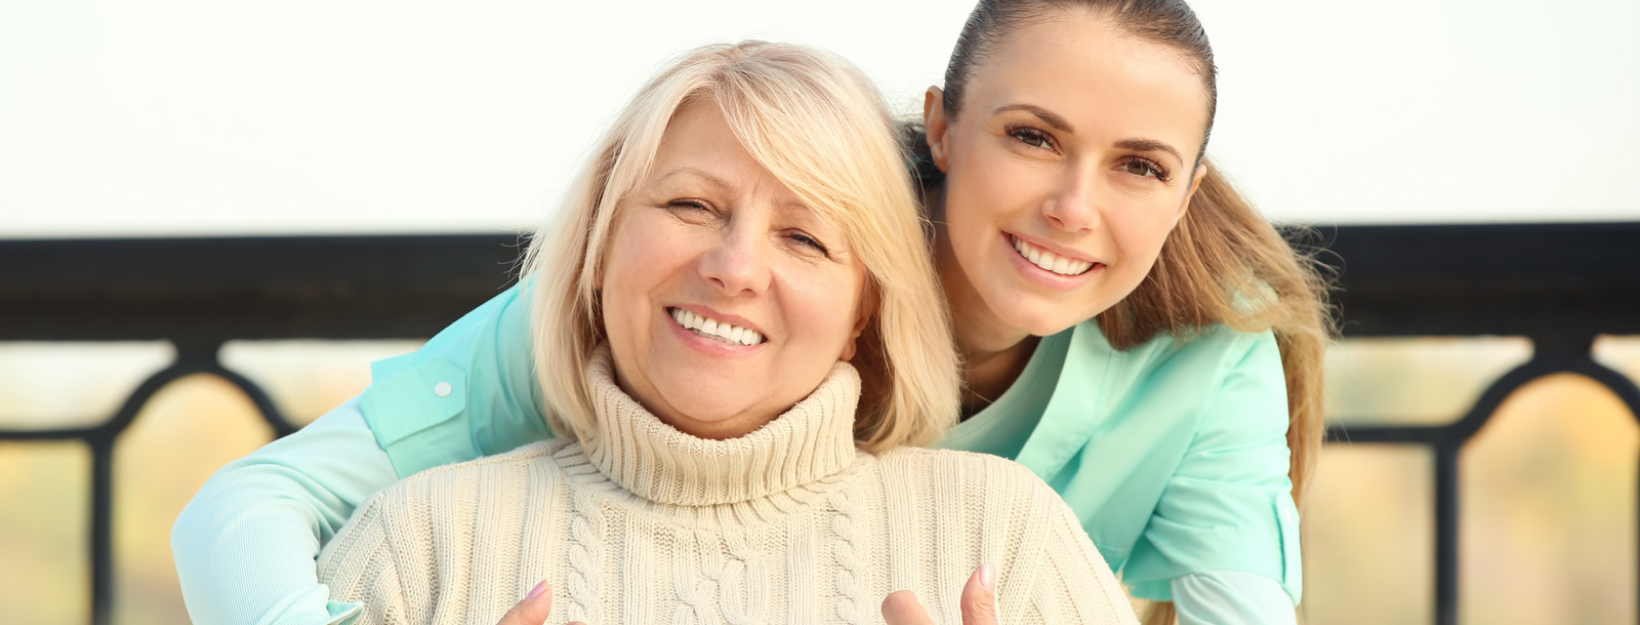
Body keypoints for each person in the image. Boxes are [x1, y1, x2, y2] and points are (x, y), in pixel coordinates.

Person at [173, 1, 1331, 624]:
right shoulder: (657, 305)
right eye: (1030, 136)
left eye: (1137, 166)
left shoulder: (1204, 365)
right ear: (941, 128)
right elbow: (250, 505)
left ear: (1185, 190)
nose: (1070, 207)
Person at [313, 40, 1136, 625]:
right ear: (600, 242)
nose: (735, 267)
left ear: (861, 314)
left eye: (805, 238)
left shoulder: (1004, 533)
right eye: (691, 205)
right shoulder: (414, 545)